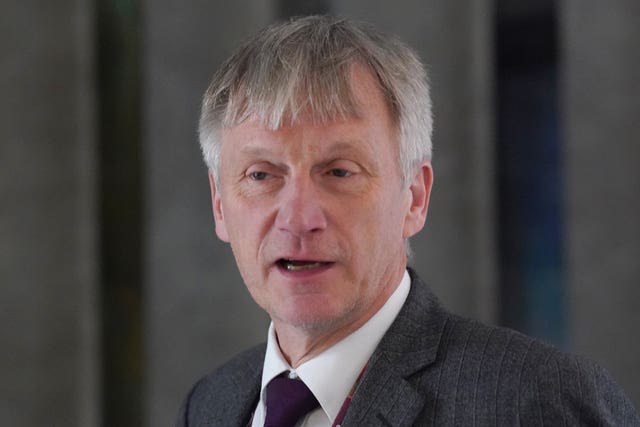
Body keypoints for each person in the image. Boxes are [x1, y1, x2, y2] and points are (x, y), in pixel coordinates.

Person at [178, 15, 639, 426]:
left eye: (339, 171)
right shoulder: (211, 404)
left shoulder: (533, 402)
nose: (300, 219)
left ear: (414, 197)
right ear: (220, 204)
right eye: (261, 174)